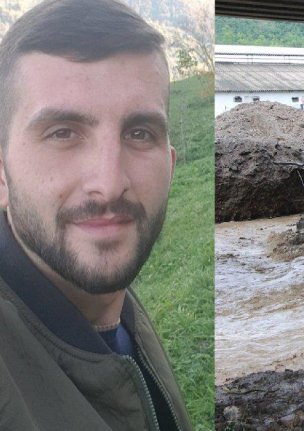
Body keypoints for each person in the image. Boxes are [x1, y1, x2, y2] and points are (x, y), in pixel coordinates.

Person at [0, 0, 192, 429]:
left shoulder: (109, 302)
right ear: (1, 174)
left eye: (139, 133)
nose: (108, 184)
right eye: (63, 133)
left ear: (171, 165)